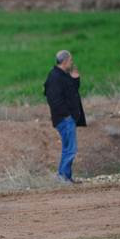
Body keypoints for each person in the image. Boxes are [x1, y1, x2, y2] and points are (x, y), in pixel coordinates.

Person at [43, 50, 87, 183]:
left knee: (68, 148)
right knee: (71, 149)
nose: (72, 63)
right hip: (64, 119)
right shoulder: (55, 77)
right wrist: (67, 115)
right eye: (70, 60)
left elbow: (72, 92)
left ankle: (65, 176)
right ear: (65, 61)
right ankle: (63, 177)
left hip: (67, 118)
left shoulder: (63, 75)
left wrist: (76, 79)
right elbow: (54, 100)